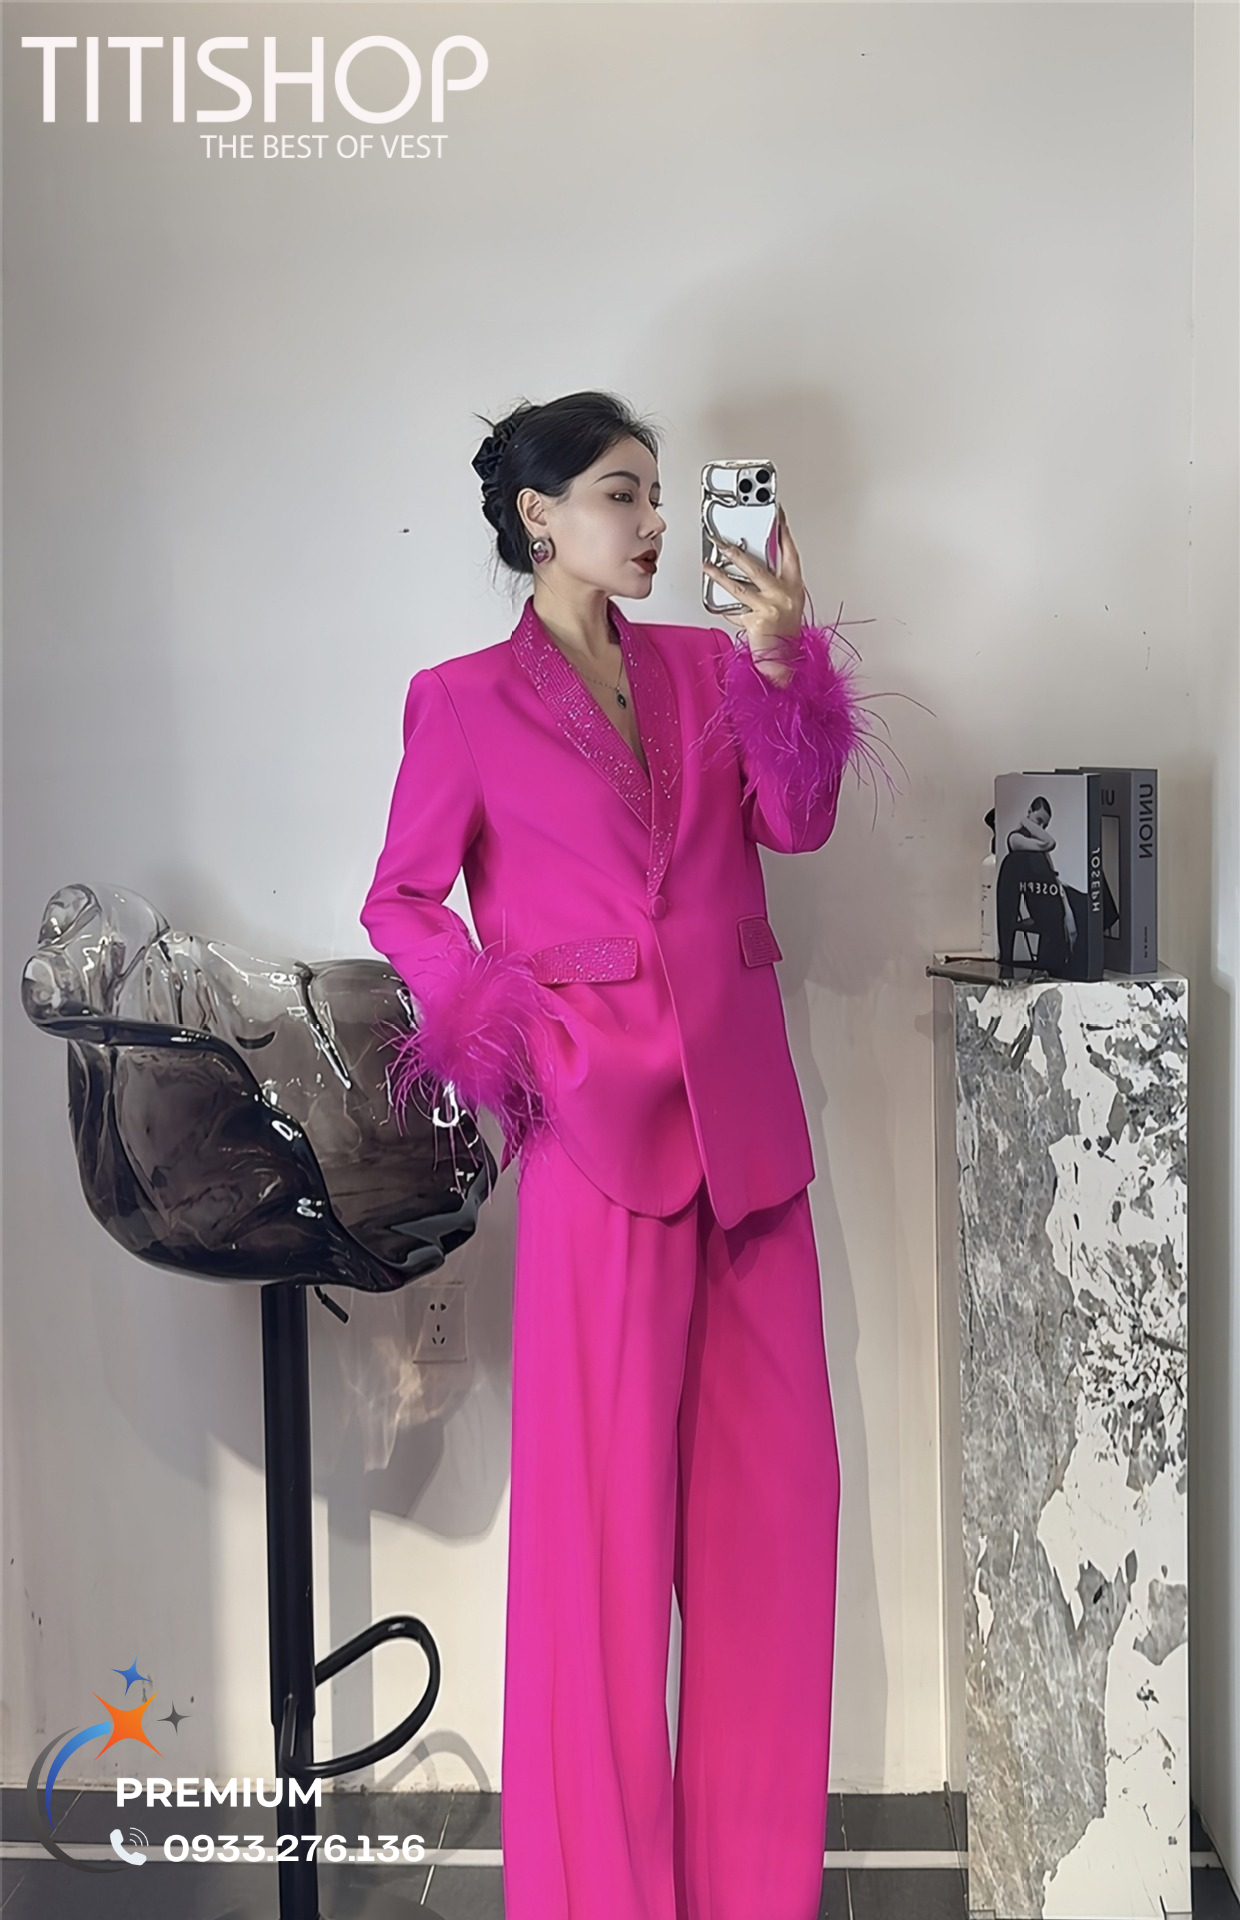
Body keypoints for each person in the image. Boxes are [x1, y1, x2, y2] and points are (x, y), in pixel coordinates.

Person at [359, 390, 880, 1920]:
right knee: (596, 1561)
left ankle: (752, 1896)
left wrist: (783, 658)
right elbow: (402, 899)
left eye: (659, 496)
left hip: (751, 1143)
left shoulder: (711, 667)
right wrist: (504, 1030)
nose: (654, 523)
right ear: (538, 515)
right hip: (596, 1137)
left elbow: (800, 823)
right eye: (620, 493)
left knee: (772, 1536)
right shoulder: (460, 701)